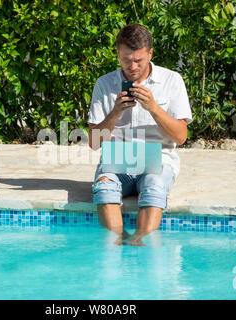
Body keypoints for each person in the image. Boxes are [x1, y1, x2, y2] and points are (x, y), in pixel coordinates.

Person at [88, 24, 193, 246]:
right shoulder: (104, 84)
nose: (133, 66)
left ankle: (140, 244)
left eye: (139, 60)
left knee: (154, 185)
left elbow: (181, 137)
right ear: (117, 53)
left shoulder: (172, 80)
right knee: (104, 186)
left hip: (158, 156)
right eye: (126, 59)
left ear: (150, 53)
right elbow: (94, 143)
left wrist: (154, 108)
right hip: (118, 157)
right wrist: (115, 113)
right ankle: (118, 243)